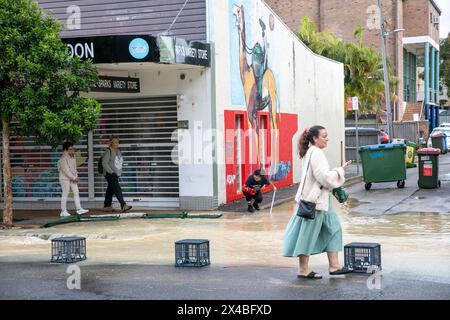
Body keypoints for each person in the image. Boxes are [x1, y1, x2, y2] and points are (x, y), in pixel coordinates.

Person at [283, 126, 353, 279]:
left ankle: (334, 266)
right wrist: (340, 170)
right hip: (314, 201)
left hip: (319, 200)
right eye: (324, 136)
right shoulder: (317, 153)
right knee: (307, 234)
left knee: (333, 229)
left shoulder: (312, 152)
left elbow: (321, 178)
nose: (327, 138)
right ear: (315, 138)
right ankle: (303, 269)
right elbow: (324, 178)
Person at [57, 141, 89, 217]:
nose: (72, 151)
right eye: (70, 149)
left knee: (76, 192)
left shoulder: (73, 156)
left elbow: (74, 168)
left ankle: (79, 209)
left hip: (72, 178)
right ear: (65, 150)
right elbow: (66, 170)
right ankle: (63, 211)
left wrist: (76, 177)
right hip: (64, 178)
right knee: (65, 193)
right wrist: (74, 178)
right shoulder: (63, 158)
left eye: (72, 149)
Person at [102, 136, 132, 213]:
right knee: (117, 189)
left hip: (115, 174)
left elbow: (119, 162)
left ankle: (107, 206)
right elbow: (104, 163)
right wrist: (112, 172)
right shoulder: (108, 151)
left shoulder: (118, 151)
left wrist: (118, 173)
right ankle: (123, 205)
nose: (117, 143)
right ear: (111, 143)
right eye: (115, 142)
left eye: (118, 142)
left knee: (110, 190)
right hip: (110, 174)